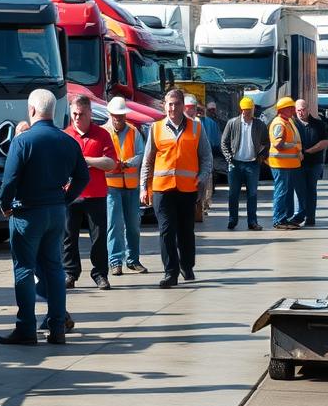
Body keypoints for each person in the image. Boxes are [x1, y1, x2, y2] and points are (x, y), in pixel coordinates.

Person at [0, 89, 89, 345]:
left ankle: (26, 328)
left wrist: (5, 205)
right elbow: (83, 177)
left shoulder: (23, 141)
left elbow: (10, 180)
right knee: (55, 269)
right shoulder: (68, 141)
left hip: (28, 213)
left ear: (32, 110)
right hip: (56, 212)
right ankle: (57, 327)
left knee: (24, 270)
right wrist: (65, 199)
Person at [139, 89, 211, 288]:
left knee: (186, 231)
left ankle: (187, 265)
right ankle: (170, 272)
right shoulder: (156, 128)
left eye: (176, 104)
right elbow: (148, 160)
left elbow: (206, 158)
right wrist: (143, 187)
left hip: (188, 190)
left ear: (182, 105)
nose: (172, 108)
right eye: (169, 104)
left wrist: (202, 178)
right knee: (166, 231)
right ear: (164, 105)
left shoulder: (196, 128)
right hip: (162, 190)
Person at [62, 95, 118, 290]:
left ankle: (100, 274)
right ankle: (70, 273)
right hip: (71, 195)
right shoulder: (65, 135)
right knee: (69, 237)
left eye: (81, 114)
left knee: (99, 238)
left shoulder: (101, 134)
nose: (77, 118)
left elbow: (111, 163)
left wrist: (87, 160)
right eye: (74, 114)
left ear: (90, 114)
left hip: (96, 195)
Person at [103, 97, 148, 276]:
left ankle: (133, 260)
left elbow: (141, 154)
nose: (118, 119)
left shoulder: (133, 132)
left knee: (133, 225)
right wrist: (115, 164)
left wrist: (126, 164)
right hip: (111, 185)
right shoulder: (103, 132)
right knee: (114, 225)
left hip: (130, 185)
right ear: (110, 114)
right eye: (115, 115)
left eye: (121, 116)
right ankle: (115, 261)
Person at [221, 96, 268, 231]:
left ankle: (252, 222)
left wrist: (261, 156)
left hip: (252, 164)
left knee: (252, 194)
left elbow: (266, 142)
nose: (247, 112)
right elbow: (224, 142)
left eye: (249, 110)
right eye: (245, 110)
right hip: (235, 164)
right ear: (241, 110)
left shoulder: (259, 125)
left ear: (253, 110)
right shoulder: (232, 123)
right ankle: (232, 220)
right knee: (233, 194)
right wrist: (229, 157)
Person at [290, 99, 328, 228]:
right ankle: (299, 216)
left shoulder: (318, 124)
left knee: (311, 190)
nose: (301, 112)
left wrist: (308, 151)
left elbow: (325, 142)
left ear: (308, 109)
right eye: (298, 110)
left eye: (303, 109)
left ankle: (310, 217)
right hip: (297, 164)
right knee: (299, 190)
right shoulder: (292, 124)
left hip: (314, 163)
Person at [267, 97, 303, 230]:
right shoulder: (279, 124)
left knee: (286, 192)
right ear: (283, 110)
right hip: (280, 164)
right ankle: (279, 220)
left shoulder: (287, 122)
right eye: (291, 108)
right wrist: (293, 146)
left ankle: (285, 218)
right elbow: (278, 144)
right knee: (281, 192)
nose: (293, 110)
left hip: (288, 164)